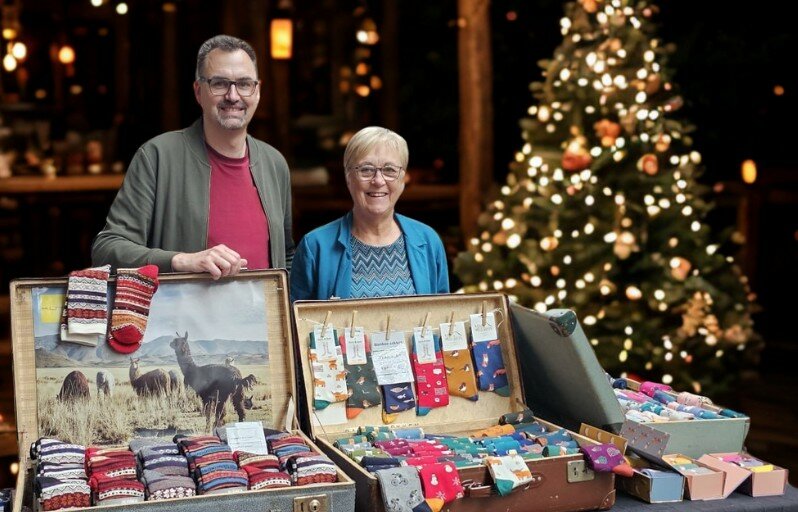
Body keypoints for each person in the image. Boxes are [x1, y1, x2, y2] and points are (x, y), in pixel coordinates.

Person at [92, 35, 294, 278]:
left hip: (262, 316)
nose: (233, 96)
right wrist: (181, 261)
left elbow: (286, 256)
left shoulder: (274, 164)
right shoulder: (157, 157)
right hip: (182, 315)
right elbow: (106, 248)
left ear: (257, 91)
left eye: (244, 84)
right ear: (198, 92)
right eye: (219, 83)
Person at [290, 126, 449, 301]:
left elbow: (441, 320)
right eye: (366, 169)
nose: (378, 181)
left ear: (403, 179)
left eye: (389, 170)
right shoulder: (315, 247)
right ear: (349, 177)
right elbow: (297, 324)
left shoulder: (428, 241)